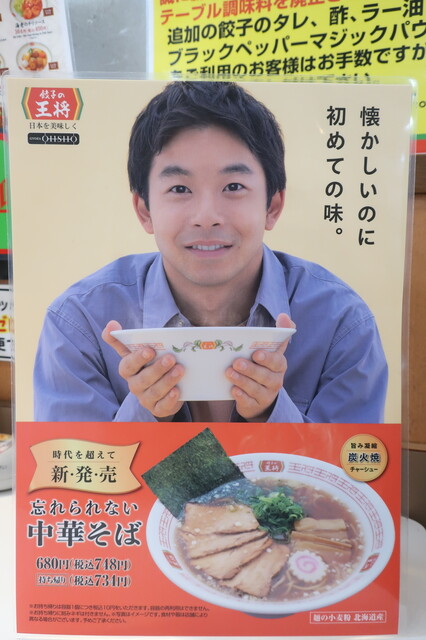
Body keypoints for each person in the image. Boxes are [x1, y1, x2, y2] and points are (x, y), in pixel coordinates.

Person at [34, 81, 387, 423]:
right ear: (144, 211)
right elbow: (66, 462)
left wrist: (270, 414)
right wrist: (145, 414)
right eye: (179, 188)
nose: (207, 216)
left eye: (233, 186)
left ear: (272, 206)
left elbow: (357, 462)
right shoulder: (79, 323)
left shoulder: (342, 323)